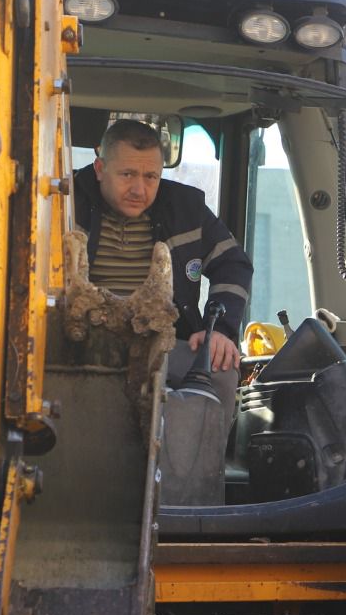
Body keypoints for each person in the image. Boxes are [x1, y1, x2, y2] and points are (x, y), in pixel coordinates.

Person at [72, 118, 253, 406]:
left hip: (162, 344)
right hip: (78, 342)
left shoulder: (185, 210)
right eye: (127, 174)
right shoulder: (63, 202)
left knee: (221, 369)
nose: (139, 189)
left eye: (150, 177)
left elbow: (233, 263)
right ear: (99, 168)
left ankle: (194, 452)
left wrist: (218, 329)